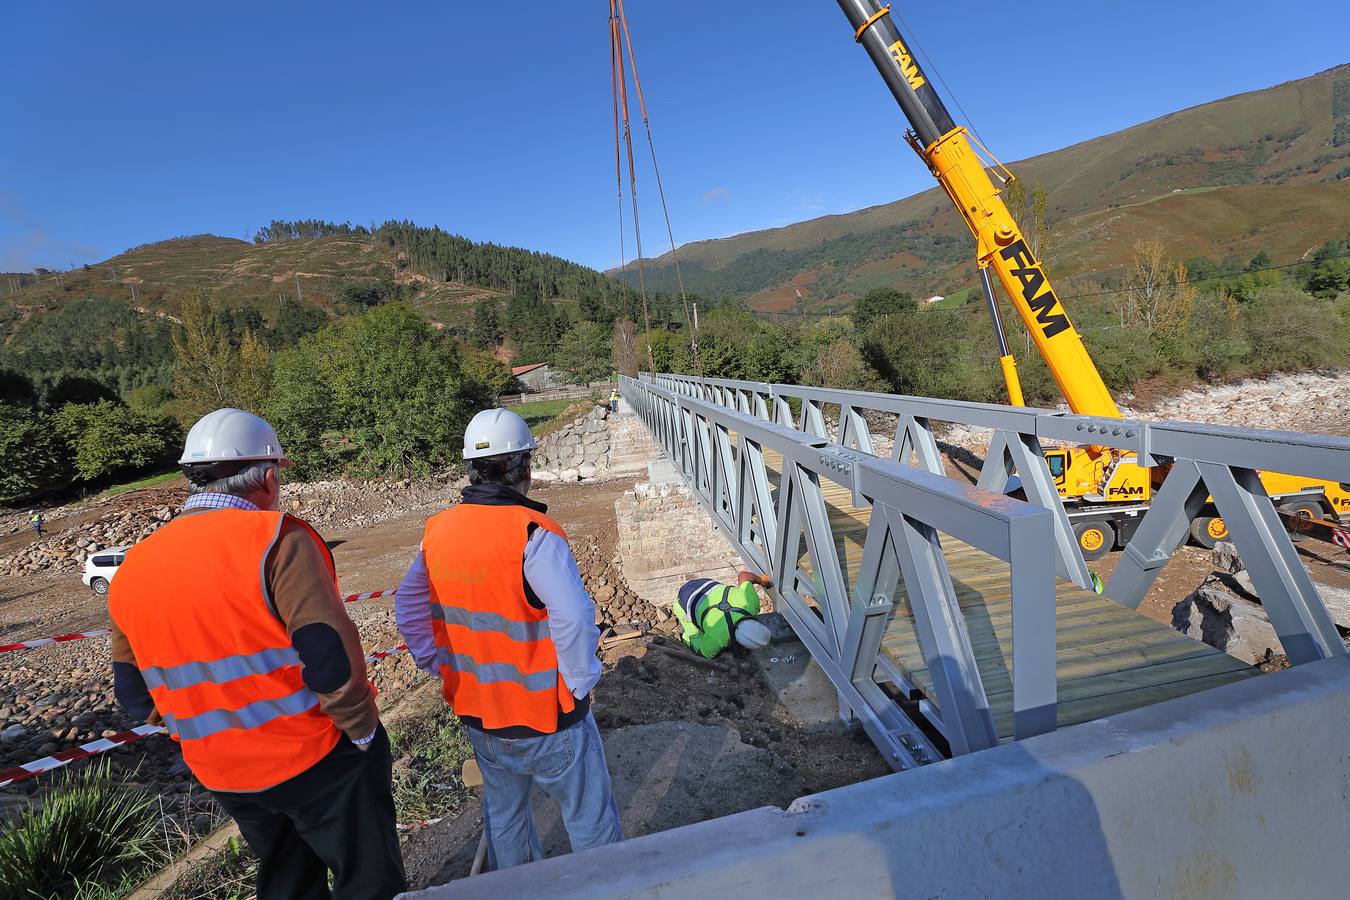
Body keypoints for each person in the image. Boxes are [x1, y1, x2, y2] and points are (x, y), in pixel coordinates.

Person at [108, 408, 405, 900]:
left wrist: (202, 735)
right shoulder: (279, 539)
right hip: (314, 757)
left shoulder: (134, 565)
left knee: (287, 879)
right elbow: (330, 657)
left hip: (222, 771)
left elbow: (133, 694)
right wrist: (362, 733)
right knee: (368, 878)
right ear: (268, 477)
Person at [395, 407, 622, 870]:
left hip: (481, 715)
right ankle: (607, 885)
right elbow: (575, 619)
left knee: (506, 820)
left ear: (472, 469)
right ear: (526, 468)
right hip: (547, 716)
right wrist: (579, 683)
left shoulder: (437, 532)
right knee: (589, 819)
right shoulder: (534, 534)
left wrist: (437, 665)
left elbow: (407, 606)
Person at [673, 571, 774, 659]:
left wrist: (762, 581)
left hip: (704, 584)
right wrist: (709, 648)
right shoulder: (717, 638)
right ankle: (686, 638)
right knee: (696, 637)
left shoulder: (750, 604)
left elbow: (744, 575)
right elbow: (702, 654)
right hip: (683, 603)